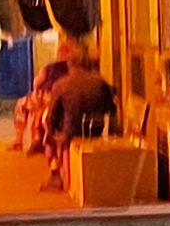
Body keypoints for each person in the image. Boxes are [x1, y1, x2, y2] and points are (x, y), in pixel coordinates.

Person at [42, 51, 118, 189]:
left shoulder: (60, 84)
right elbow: (111, 109)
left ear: (69, 65)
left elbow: (51, 116)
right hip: (96, 130)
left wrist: (52, 133)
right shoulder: (100, 83)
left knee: (49, 133)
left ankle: (55, 173)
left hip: (71, 133)